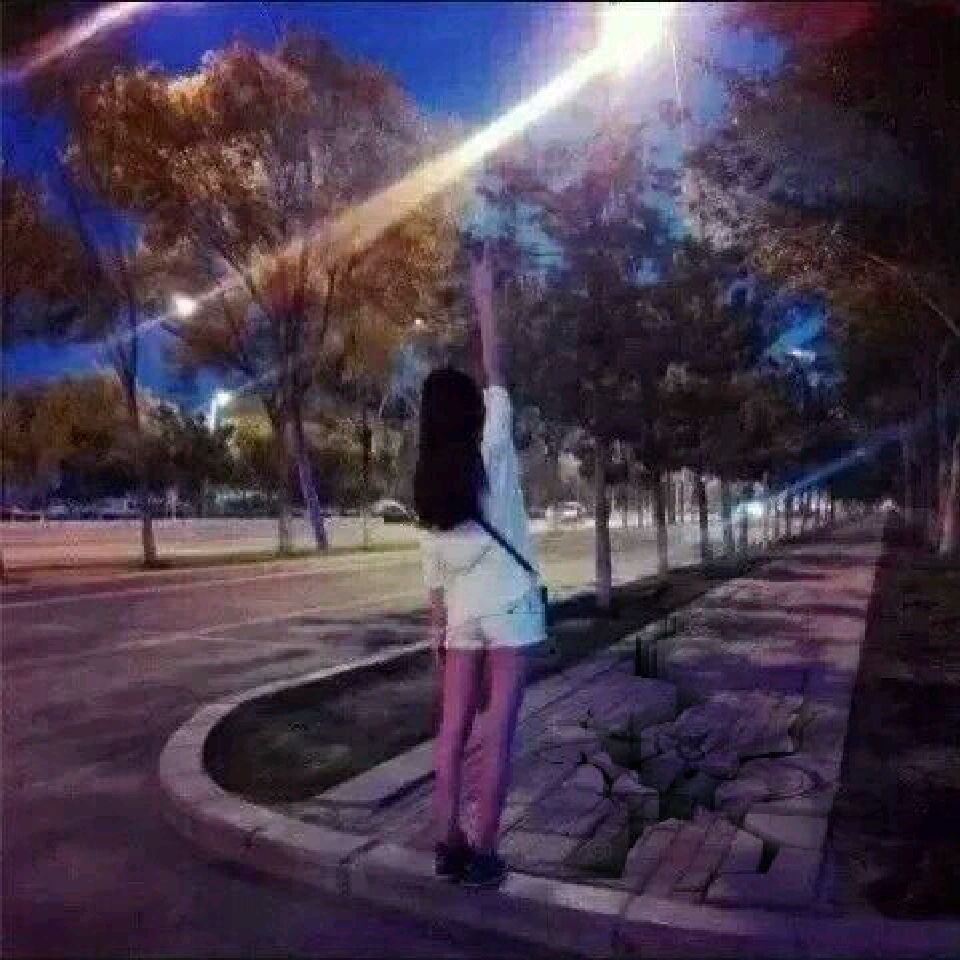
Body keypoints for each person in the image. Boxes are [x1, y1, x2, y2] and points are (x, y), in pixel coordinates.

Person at [414, 245, 545, 889]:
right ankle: (486, 850)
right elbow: (496, 368)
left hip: (461, 618)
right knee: (497, 733)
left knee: (452, 728)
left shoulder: (428, 485)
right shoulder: (493, 445)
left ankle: (447, 842)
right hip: (511, 609)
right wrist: (484, 297)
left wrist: (436, 632)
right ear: (472, 411)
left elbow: (433, 579)